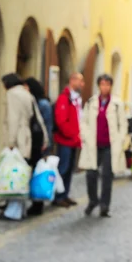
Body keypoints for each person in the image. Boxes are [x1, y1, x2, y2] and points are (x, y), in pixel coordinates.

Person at [0, 73, 48, 221]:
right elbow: (38, 117)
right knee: (22, 173)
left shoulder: (12, 94)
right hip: (29, 138)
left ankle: (14, 211)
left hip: (20, 139)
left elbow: (13, 119)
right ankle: (18, 209)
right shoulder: (27, 94)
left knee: (15, 174)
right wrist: (44, 137)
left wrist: (11, 143)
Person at [79, 74, 128, 218]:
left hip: (109, 145)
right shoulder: (91, 102)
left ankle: (105, 205)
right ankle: (93, 200)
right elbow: (84, 121)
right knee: (91, 174)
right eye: (102, 84)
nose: (104, 87)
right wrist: (86, 136)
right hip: (93, 144)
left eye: (107, 84)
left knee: (107, 175)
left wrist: (120, 140)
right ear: (99, 86)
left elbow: (123, 124)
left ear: (111, 86)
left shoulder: (117, 104)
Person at [24, 77, 54, 216]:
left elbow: (47, 126)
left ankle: (37, 204)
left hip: (38, 144)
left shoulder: (43, 104)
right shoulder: (36, 102)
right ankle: (34, 202)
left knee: (38, 173)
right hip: (34, 143)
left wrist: (46, 145)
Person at [53, 72, 83, 208]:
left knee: (70, 168)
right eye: (80, 81)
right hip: (66, 140)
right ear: (73, 80)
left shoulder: (76, 98)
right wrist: (72, 134)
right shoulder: (64, 98)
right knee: (63, 168)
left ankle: (64, 194)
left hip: (74, 140)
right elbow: (61, 120)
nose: (82, 84)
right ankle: (58, 196)